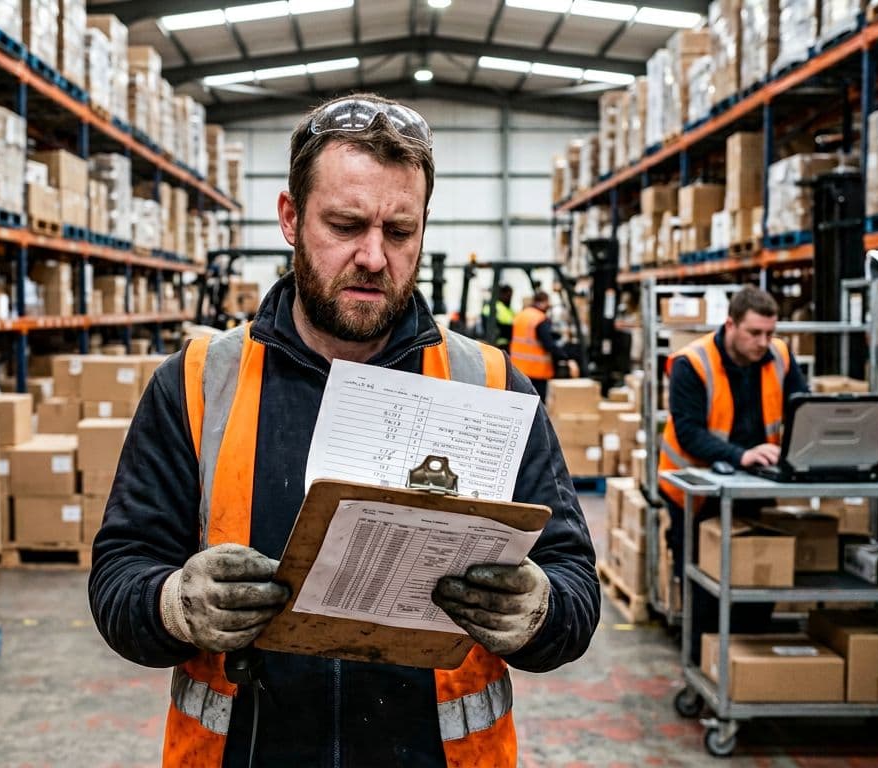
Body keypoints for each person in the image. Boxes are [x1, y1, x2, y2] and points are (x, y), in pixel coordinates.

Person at [87, 93, 600, 767]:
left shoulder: (489, 386)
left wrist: (538, 610)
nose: (373, 257)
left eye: (399, 231)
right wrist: (173, 605)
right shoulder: (197, 384)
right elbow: (120, 573)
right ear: (291, 218)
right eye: (345, 224)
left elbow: (575, 587)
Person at [656, 286, 807, 658]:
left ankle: (746, 664)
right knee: (702, 583)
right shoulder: (691, 363)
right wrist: (742, 455)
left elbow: (801, 405)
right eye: (754, 333)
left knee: (755, 573)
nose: (764, 342)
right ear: (731, 325)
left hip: (752, 486)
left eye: (770, 333)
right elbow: (689, 433)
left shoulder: (780, 356)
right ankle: (701, 661)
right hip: (693, 489)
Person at [509, 290, 567, 400]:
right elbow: (548, 344)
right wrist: (565, 356)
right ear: (544, 302)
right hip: (536, 372)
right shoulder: (540, 318)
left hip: (518, 369)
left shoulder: (521, 315)